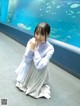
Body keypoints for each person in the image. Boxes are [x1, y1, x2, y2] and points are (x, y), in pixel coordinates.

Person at [15, 22, 54, 99]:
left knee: (34, 89)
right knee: (21, 84)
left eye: (42, 34)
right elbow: (26, 60)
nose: (38, 37)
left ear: (48, 35)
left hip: (39, 70)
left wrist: (35, 50)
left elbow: (40, 66)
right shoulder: (31, 41)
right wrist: (30, 49)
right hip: (30, 65)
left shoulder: (50, 48)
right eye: (36, 33)